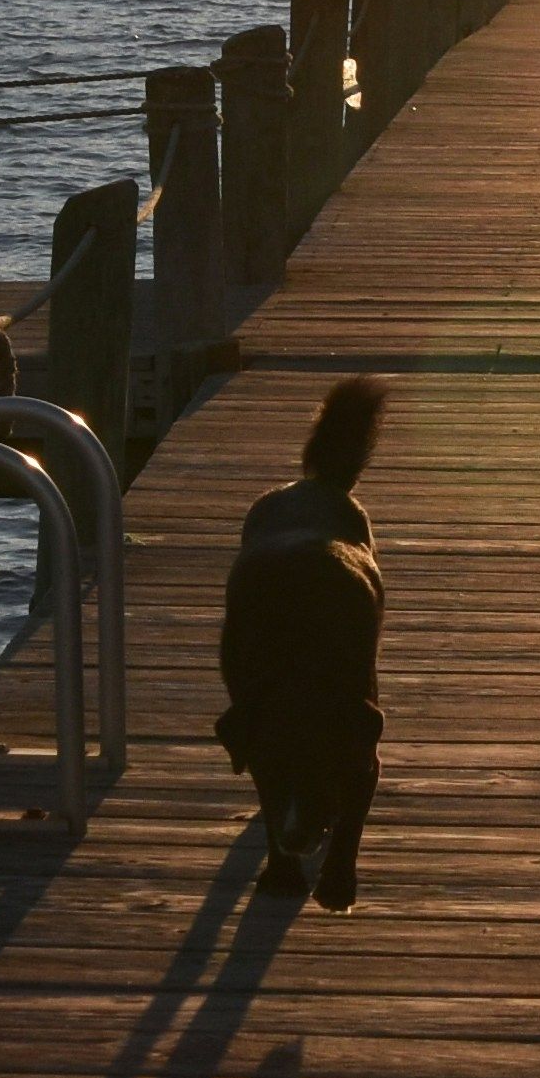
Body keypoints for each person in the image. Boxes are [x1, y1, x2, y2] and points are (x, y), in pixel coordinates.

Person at [215, 374, 390, 908]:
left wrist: (342, 865)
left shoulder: (343, 714)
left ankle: (307, 841)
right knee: (287, 761)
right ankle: (284, 843)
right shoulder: (260, 717)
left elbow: (364, 760)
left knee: (308, 760)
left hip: (335, 587)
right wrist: (284, 856)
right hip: (289, 583)